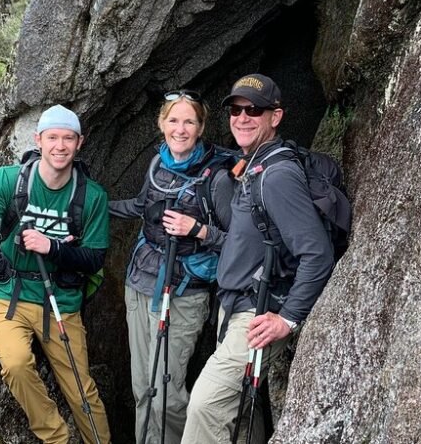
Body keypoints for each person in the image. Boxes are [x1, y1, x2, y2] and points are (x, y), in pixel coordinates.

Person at [182, 74, 334, 443]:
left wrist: (288, 318)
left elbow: (317, 253)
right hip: (237, 304)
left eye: (255, 110)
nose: (243, 118)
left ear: (275, 116)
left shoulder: (277, 174)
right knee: (242, 411)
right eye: (236, 109)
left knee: (206, 405)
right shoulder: (253, 164)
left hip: (259, 310)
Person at [0, 104, 111, 444]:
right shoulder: (10, 180)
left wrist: (52, 248)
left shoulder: (91, 196)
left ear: (79, 143)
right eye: (52, 137)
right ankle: (57, 437)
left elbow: (95, 259)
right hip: (10, 296)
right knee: (17, 363)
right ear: (39, 140)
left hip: (62, 303)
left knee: (82, 391)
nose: (60, 146)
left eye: (68, 138)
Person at [110, 90, 233, 444]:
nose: (180, 129)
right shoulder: (157, 164)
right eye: (173, 120)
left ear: (201, 127)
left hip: (183, 294)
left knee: (165, 395)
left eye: (189, 121)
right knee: (141, 389)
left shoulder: (217, 180)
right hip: (140, 284)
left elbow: (239, 241)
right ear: (161, 123)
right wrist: (90, 204)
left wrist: (197, 230)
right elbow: (139, 206)